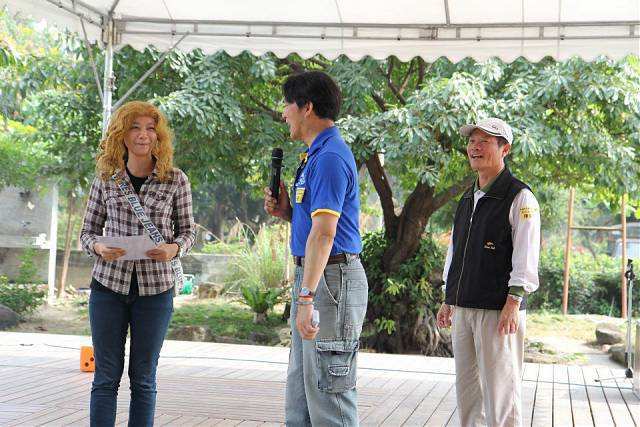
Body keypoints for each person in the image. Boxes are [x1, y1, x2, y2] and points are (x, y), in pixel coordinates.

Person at [80, 100, 195, 426]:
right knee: (105, 377)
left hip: (156, 291)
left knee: (143, 378)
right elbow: (87, 233)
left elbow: (188, 232)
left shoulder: (176, 180)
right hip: (108, 287)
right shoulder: (106, 179)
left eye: (150, 129)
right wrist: (99, 246)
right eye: (135, 127)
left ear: (158, 136)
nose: (143, 135)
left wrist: (174, 248)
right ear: (122, 134)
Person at [264, 71, 368, 426]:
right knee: (301, 402)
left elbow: (325, 235)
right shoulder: (315, 156)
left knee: (330, 403)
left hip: (330, 282)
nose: (284, 113)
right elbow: (315, 225)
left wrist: (307, 297)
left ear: (306, 107)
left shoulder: (329, 158)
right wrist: (287, 212)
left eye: (287, 104)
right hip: (318, 277)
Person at [436, 118, 540, 427]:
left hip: (499, 311)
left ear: (505, 149)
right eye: (472, 141)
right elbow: (455, 250)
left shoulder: (520, 197)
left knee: (500, 393)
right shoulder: (468, 197)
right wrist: (448, 297)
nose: (475, 147)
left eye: (485, 141)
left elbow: (526, 254)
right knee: (468, 393)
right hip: (463, 308)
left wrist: (513, 302)